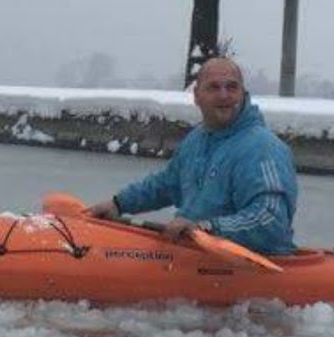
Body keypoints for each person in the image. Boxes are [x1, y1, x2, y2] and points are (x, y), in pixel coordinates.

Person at [87, 57, 299, 256]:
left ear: (243, 93)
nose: (224, 95)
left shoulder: (263, 148)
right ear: (197, 96)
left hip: (243, 266)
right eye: (214, 87)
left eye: (232, 87)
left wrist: (208, 227)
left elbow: (271, 220)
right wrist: (119, 204)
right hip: (194, 255)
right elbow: (166, 183)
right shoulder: (197, 140)